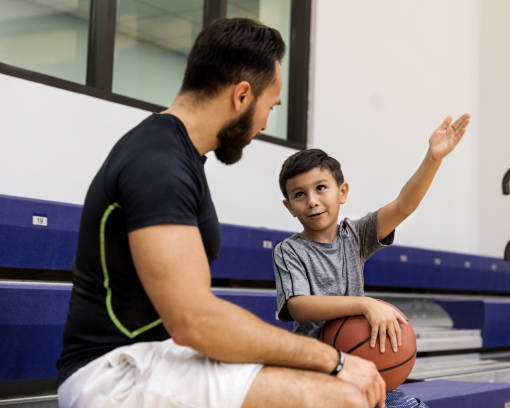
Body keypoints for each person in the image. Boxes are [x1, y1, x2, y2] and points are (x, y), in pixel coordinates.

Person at [57, 18, 388, 408]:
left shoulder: (179, 155)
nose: (265, 123)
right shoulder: (159, 163)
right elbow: (196, 321)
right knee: (341, 395)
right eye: (270, 107)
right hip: (113, 375)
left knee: (324, 380)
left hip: (161, 359)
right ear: (242, 95)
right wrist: (332, 359)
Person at [273, 115, 470, 406]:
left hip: (359, 368)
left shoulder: (355, 235)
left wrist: (433, 158)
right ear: (290, 207)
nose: (312, 200)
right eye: (300, 195)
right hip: (315, 373)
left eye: (321, 188)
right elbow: (298, 306)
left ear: (343, 192)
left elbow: (403, 205)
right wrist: (365, 304)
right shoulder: (288, 251)